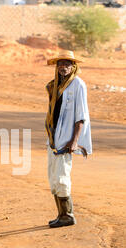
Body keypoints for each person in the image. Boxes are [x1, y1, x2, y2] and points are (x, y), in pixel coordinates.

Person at [45, 50, 92, 228]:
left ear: (73, 66)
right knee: (53, 177)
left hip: (66, 140)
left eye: (67, 64)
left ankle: (67, 215)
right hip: (53, 137)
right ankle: (61, 214)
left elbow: (81, 116)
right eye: (60, 64)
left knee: (62, 177)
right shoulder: (56, 85)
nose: (63, 67)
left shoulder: (77, 84)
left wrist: (74, 141)